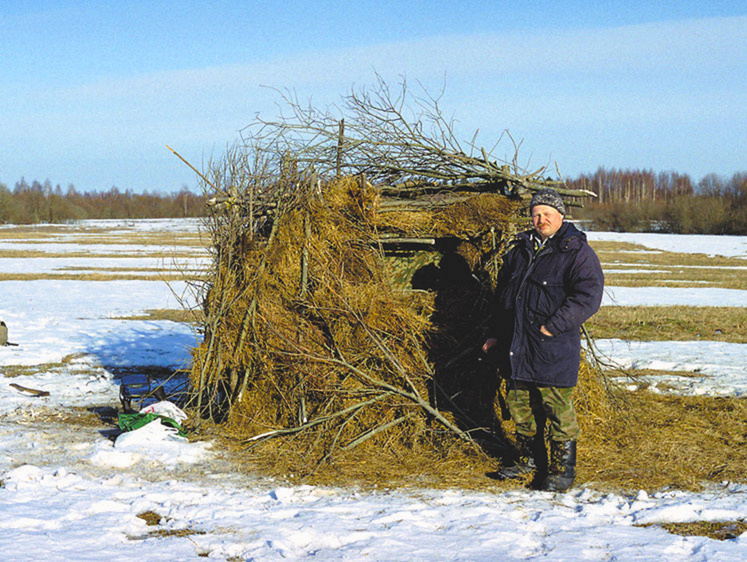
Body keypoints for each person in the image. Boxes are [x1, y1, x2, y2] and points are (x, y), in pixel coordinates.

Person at [482, 188, 604, 491]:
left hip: (553, 348)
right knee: (520, 406)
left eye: (547, 213)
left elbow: (588, 296)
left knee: (557, 410)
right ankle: (528, 460)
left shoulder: (576, 252)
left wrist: (554, 325)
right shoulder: (520, 250)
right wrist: (496, 333)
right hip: (517, 346)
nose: (541, 219)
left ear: (561, 216)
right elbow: (504, 298)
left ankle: (562, 470)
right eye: (536, 214)